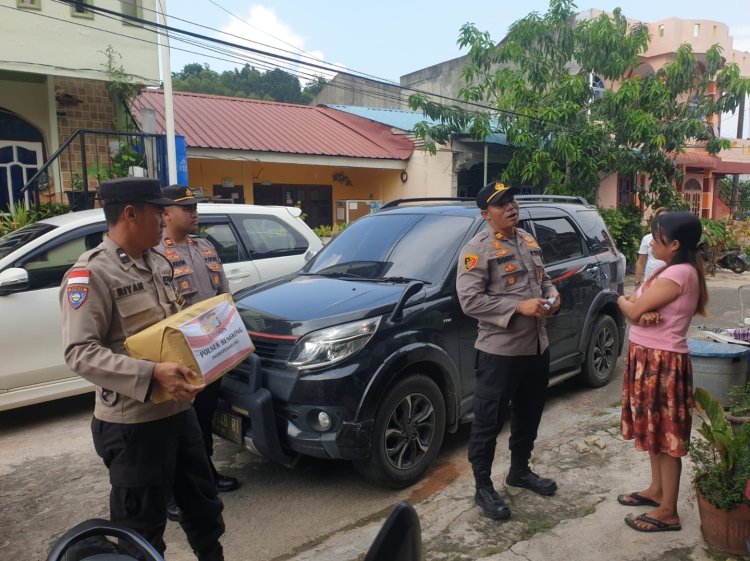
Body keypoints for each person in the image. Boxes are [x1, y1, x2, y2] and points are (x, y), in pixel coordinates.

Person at [60, 177, 225, 561]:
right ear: (131, 214)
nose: (164, 220)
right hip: (133, 426)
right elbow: (79, 352)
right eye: (158, 212)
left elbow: (172, 328)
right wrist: (151, 373)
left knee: (203, 508)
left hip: (178, 412)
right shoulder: (91, 274)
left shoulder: (157, 262)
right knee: (141, 532)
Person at [456, 180, 561, 520]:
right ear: (486, 214)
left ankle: (520, 471)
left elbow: (542, 281)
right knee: (489, 421)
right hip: (499, 352)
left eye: (512, 200)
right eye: (501, 204)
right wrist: (518, 308)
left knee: (529, 413)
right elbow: (469, 300)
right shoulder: (477, 249)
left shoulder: (528, 239)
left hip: (536, 347)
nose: (511, 207)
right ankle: (483, 487)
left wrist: (552, 296)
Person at [616, 211, 708, 533]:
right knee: (654, 431)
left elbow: (632, 307)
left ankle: (668, 511)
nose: (652, 242)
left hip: (662, 363)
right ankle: (657, 491)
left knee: (667, 437)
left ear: (676, 245)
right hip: (649, 359)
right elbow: (638, 307)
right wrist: (637, 310)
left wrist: (623, 303)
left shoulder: (680, 274)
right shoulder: (669, 269)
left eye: (658, 239)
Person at [157, 185, 239, 523]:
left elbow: (224, 295)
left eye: (195, 207)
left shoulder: (205, 247)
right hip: (178, 355)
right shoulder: (156, 254)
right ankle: (173, 493)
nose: (194, 213)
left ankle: (206, 475)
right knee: (176, 427)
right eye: (186, 208)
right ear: (165, 213)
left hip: (211, 351)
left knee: (203, 421)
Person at [634, 208, 667, 290]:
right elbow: (640, 262)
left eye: (666, 218)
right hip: (649, 281)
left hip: (666, 281)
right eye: (660, 218)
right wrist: (637, 283)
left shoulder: (674, 240)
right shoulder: (647, 238)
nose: (652, 243)